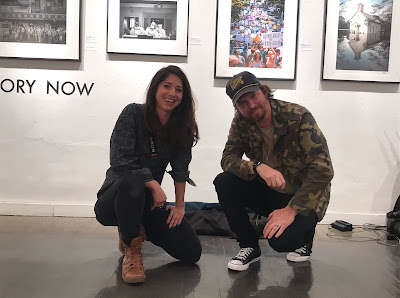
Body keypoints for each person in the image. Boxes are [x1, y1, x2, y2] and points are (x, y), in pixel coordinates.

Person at [213, 71, 333, 271]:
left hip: (304, 197)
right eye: (242, 102)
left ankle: (304, 237)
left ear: (263, 91)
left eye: (253, 95)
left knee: (281, 243)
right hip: (272, 191)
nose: (251, 105)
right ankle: (249, 246)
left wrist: (290, 210)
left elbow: (323, 169)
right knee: (224, 181)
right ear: (237, 107)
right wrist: (256, 167)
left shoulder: (298, 117)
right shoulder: (241, 122)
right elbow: (227, 159)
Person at [95, 65, 202, 283]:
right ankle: (132, 249)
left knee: (191, 252)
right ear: (155, 88)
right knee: (134, 181)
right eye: (167, 86)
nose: (172, 93)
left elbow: (181, 168)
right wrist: (153, 184)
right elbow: (121, 160)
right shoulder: (133, 113)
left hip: (148, 204)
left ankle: (133, 227)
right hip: (114, 201)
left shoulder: (181, 126)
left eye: (179, 89)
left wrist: (180, 206)